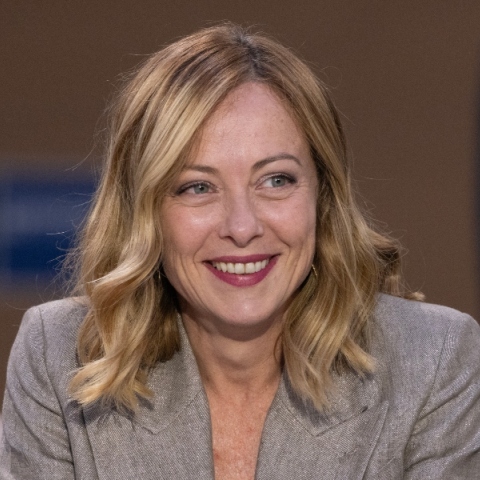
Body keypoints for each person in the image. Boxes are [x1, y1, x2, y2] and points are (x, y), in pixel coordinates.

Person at [1, 23, 479, 480]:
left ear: (323, 196)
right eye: (197, 187)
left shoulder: (433, 360)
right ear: (144, 211)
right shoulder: (57, 356)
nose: (242, 227)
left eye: (276, 180)